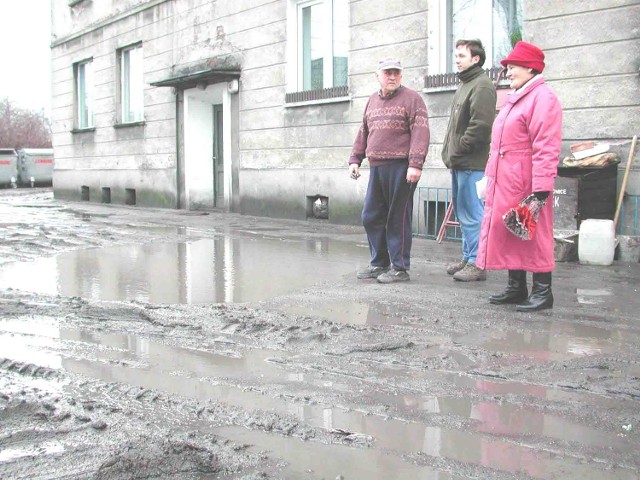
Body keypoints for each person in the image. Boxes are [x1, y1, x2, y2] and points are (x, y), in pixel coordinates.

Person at [476, 41, 562, 311]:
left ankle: (542, 292)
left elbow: (546, 146)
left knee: (535, 236)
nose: (508, 72)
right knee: (511, 231)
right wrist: (490, 177)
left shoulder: (543, 98)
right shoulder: (517, 98)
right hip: (508, 181)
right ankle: (516, 287)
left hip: (527, 182)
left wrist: (541, 188)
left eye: (512, 66)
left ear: (529, 68)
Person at [349, 57, 430, 283]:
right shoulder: (372, 101)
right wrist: (355, 159)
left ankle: (400, 267)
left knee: (398, 217)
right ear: (378, 76)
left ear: (401, 75)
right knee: (371, 216)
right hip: (377, 168)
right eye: (387, 73)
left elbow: (420, 133)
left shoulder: (413, 99)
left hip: (402, 168)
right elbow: (363, 132)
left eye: (396, 72)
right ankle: (379, 263)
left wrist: (415, 164)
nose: (392, 76)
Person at [441, 39, 497, 282]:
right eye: (456, 55)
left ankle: (477, 262)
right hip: (460, 162)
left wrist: (459, 149)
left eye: (462, 55)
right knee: (464, 212)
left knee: (473, 214)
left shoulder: (482, 86)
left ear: (476, 59)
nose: (457, 59)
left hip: (472, 164)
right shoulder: (465, 84)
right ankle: (468, 256)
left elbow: (481, 127)